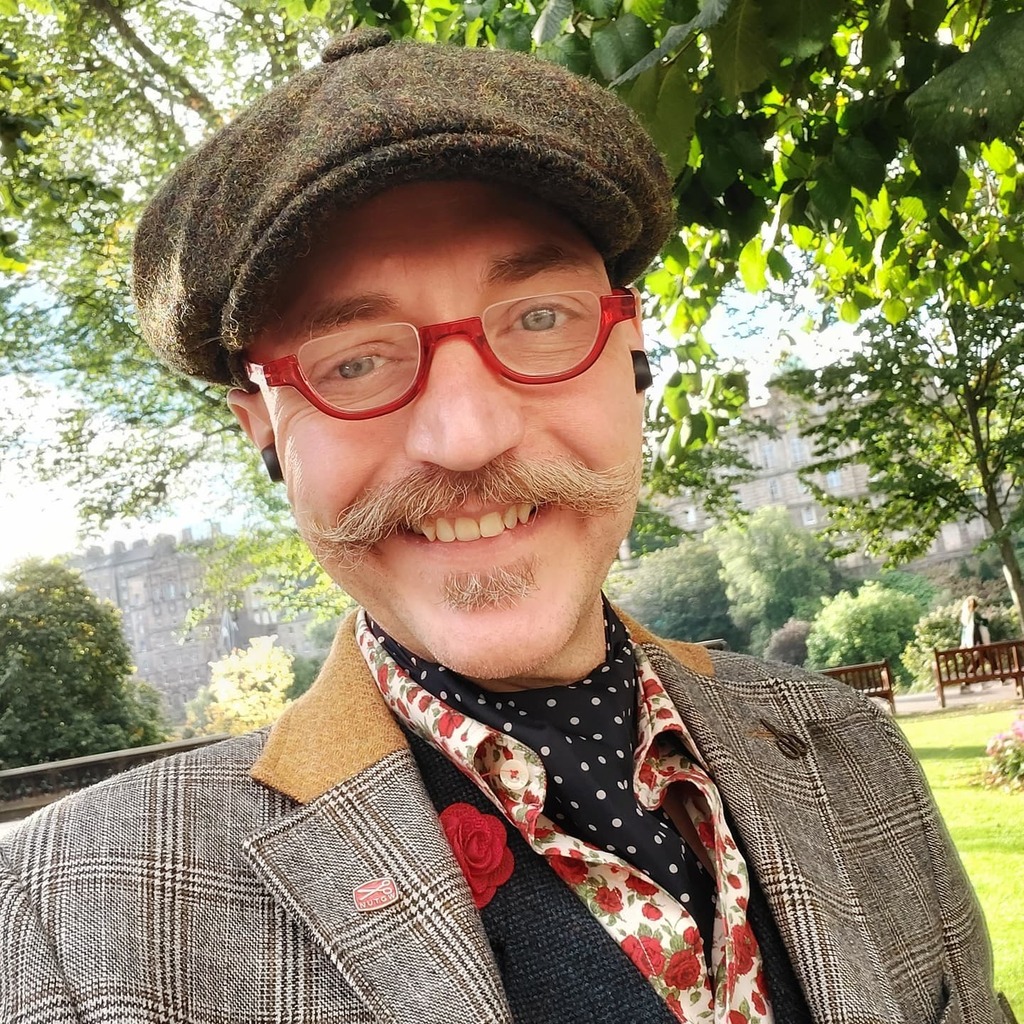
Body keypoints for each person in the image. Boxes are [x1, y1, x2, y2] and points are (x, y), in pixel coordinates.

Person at [0, 30, 1012, 1024]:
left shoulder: (849, 752)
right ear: (265, 427)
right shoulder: (75, 916)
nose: (466, 432)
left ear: (632, 348)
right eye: (354, 360)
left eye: (537, 318)